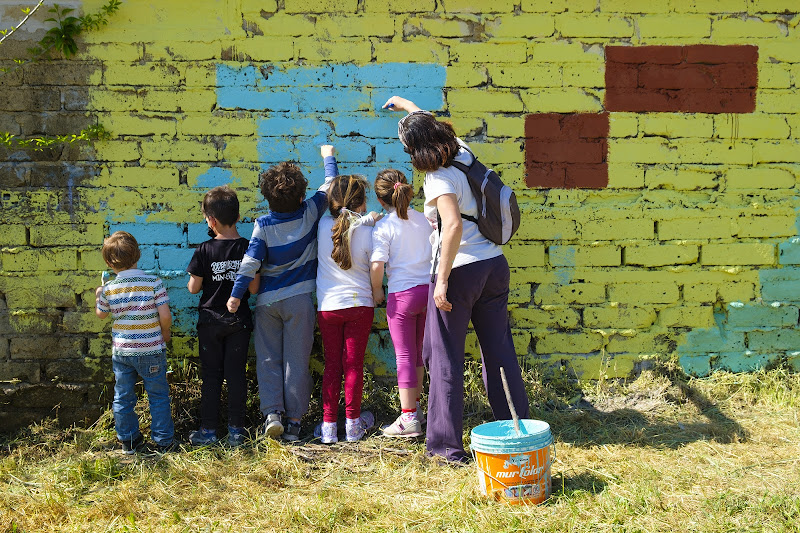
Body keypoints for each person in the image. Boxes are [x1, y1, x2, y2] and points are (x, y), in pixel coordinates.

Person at [382, 96, 530, 463]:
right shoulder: (462, 153)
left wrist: (443, 281)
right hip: (494, 266)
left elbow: (452, 227)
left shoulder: (437, 178)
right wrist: (406, 106)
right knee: (499, 353)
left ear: (414, 150)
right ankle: (517, 426)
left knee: (445, 359)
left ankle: (446, 447)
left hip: (459, 272)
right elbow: (426, 120)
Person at [227, 149, 337, 442]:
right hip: (300, 301)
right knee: (297, 361)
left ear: (266, 197)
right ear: (301, 196)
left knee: (268, 359)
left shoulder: (262, 225)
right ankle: (295, 423)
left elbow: (250, 263)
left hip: (267, 303)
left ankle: (272, 413)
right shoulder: (311, 211)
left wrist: (237, 294)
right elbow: (330, 187)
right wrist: (328, 157)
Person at [186, 185, 259, 447]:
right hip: (238, 322)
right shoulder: (249, 248)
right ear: (238, 217)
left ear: (211, 220)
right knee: (237, 374)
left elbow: (194, 289)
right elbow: (254, 288)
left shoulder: (204, 250)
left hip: (210, 324)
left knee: (211, 376)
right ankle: (237, 431)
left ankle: (208, 430)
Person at [314, 160, 380, 444]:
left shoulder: (321, 225)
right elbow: (358, 226)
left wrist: (329, 162)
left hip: (328, 308)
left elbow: (329, 194)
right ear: (360, 204)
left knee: (332, 365)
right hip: (359, 306)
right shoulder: (368, 230)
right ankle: (353, 426)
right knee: (353, 366)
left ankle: (329, 428)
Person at [95, 231, 177, 454]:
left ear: (110, 262)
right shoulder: (153, 282)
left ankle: (129, 441)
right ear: (138, 255)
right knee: (158, 396)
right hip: (151, 349)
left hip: (122, 352)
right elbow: (165, 315)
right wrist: (166, 332)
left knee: (123, 397)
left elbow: (101, 314)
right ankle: (164, 441)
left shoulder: (110, 288)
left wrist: (99, 294)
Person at [370, 169, 433, 438]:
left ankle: (408, 417)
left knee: (405, 356)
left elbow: (376, 264)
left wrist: (376, 291)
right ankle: (415, 408)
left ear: (381, 200)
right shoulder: (424, 220)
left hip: (402, 297)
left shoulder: (384, 226)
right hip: (427, 293)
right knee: (418, 353)